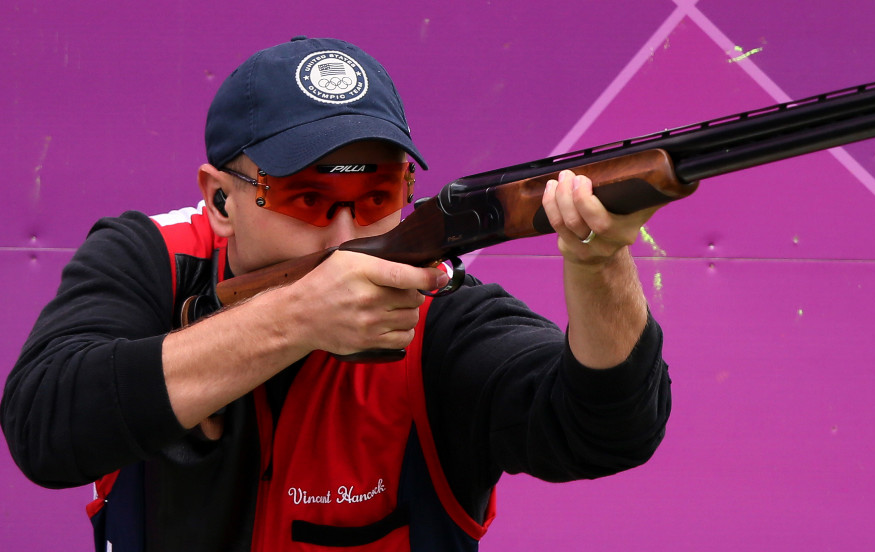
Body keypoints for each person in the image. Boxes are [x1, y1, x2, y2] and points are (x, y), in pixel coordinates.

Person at [1, 37, 671, 551]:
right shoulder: (148, 258)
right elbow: (45, 426)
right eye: (309, 198)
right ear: (220, 199)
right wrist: (297, 319)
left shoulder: (441, 316)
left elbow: (607, 432)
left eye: (378, 195)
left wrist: (600, 261)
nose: (348, 233)